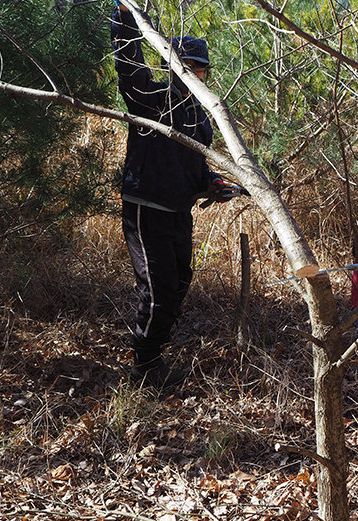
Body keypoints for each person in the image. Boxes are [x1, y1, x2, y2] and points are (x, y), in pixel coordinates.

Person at [111, 2, 234, 388]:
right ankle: (145, 367)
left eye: (200, 67)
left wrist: (212, 184)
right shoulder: (150, 97)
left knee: (180, 280)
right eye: (189, 65)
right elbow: (129, 66)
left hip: (180, 211)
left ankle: (155, 351)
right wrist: (125, 14)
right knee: (160, 288)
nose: (196, 73)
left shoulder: (200, 116)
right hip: (146, 208)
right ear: (173, 65)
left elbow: (197, 169)